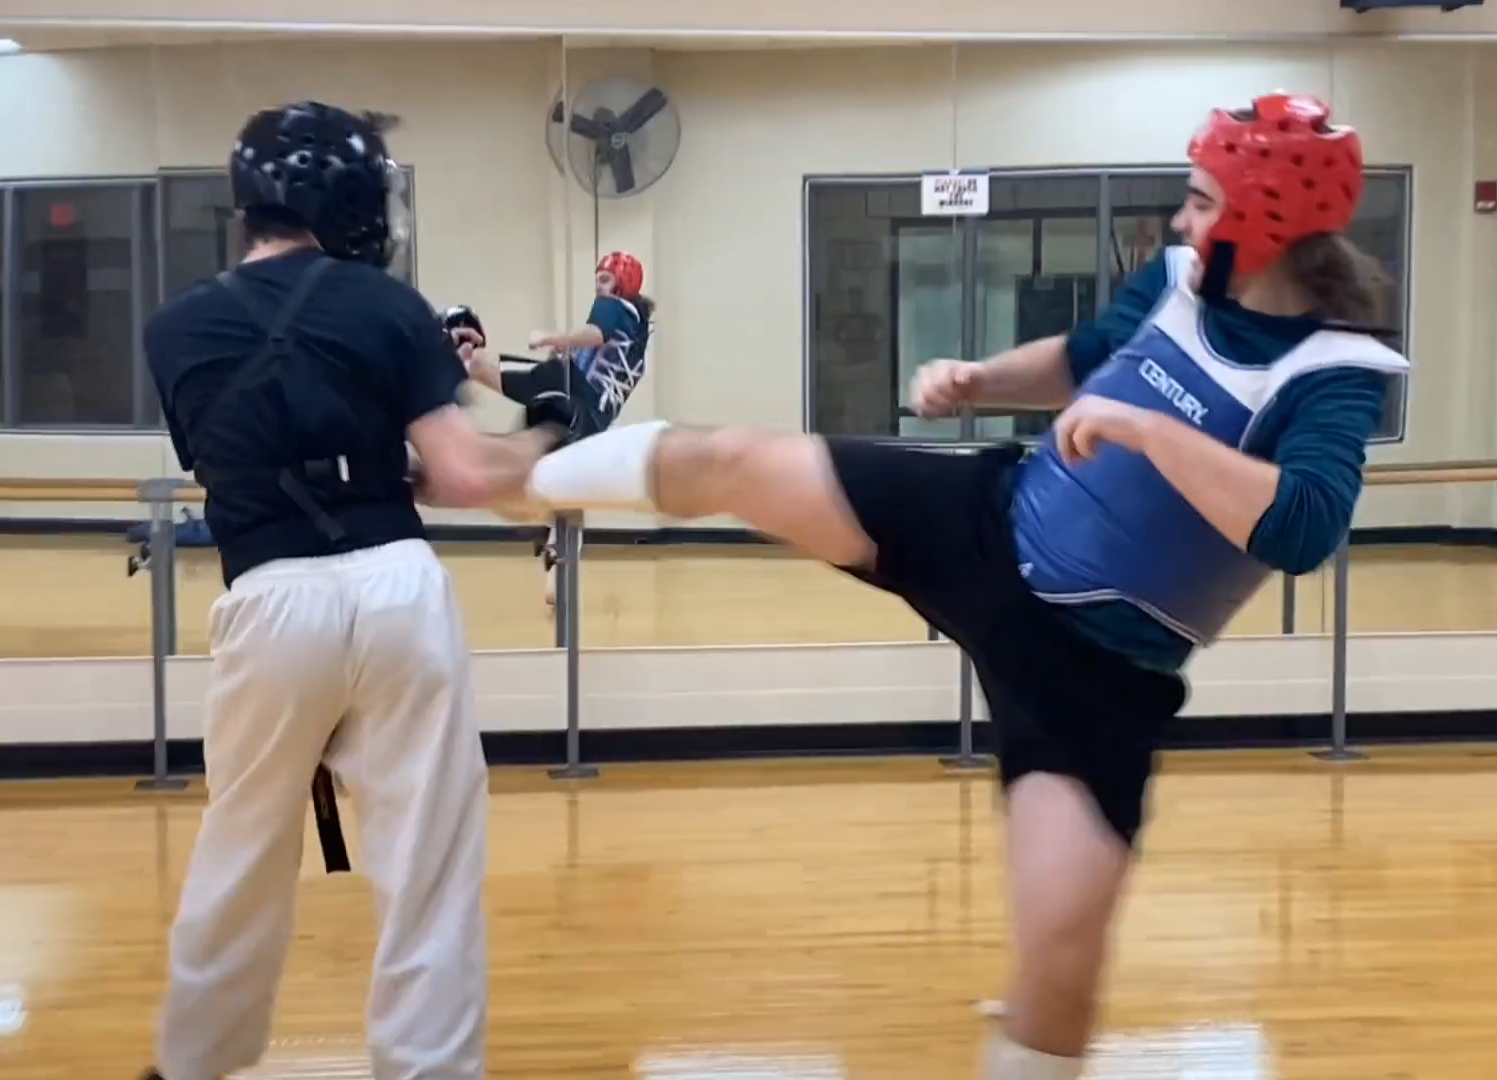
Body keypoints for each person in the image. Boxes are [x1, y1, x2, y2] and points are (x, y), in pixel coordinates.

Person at [502, 93, 1408, 1077]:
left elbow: (1303, 526)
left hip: (1093, 673)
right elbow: (1084, 360)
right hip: (987, 521)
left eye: (1202, 200)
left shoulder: (1334, 370)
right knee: (731, 462)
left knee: (1060, 967)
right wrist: (980, 380)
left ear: (1264, 222)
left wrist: (1152, 431)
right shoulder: (1175, 281)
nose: (1183, 218)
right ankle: (509, 481)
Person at [138, 101, 555, 1080]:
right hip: (397, 590)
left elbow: (256, 460)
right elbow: (464, 475)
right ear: (358, 201)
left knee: (242, 844)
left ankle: (193, 1061)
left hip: (269, 598)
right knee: (428, 860)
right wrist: (552, 432)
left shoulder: (174, 329)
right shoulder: (386, 304)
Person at [464, 251, 654, 605]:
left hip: (574, 397)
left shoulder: (613, 306)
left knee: (511, 377)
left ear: (623, 284)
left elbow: (594, 334)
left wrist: (554, 338)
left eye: (605, 279)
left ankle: (465, 368)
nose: (599, 286)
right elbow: (603, 353)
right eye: (597, 279)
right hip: (593, 422)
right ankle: (557, 577)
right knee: (568, 497)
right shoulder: (639, 330)